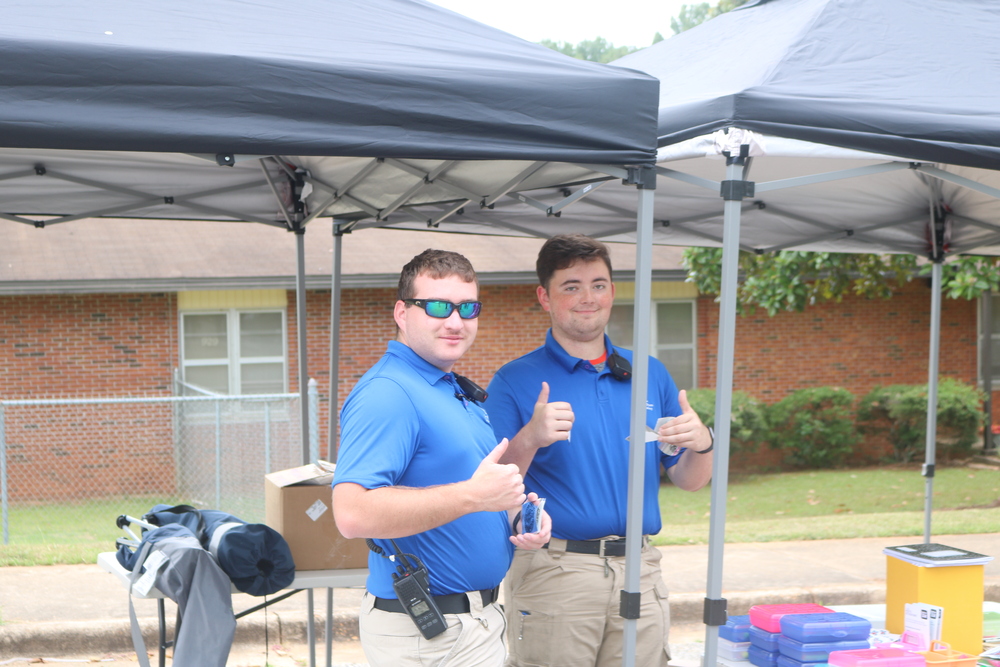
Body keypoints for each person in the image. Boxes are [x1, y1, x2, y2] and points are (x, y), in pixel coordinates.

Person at [485, 234, 714, 667]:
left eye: (599, 284)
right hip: (556, 571)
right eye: (571, 286)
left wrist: (704, 443)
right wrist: (531, 436)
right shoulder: (514, 380)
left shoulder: (649, 372)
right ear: (544, 297)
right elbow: (490, 485)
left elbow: (689, 479)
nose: (587, 297)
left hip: (641, 572)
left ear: (612, 290)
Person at [332, 249, 550, 667]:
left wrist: (519, 515)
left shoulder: (448, 388)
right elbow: (351, 513)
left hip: (474, 624)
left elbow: (473, 492)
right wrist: (473, 495)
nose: (455, 321)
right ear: (402, 312)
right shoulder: (388, 393)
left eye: (468, 308)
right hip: (430, 637)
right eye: (436, 306)